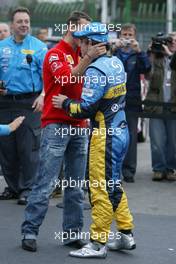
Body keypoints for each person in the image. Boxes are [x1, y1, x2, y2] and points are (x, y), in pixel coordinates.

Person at [21, 11, 106, 252]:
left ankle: (71, 234)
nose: (89, 34)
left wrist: (92, 55)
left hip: (80, 126)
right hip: (56, 125)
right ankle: (29, 230)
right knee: (46, 182)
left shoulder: (83, 53)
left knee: (75, 184)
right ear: (71, 28)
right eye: (84, 29)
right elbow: (67, 80)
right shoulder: (55, 54)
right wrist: (88, 57)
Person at [52, 22, 136, 259]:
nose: (78, 44)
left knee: (99, 189)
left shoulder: (95, 70)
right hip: (121, 132)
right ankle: (126, 234)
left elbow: (85, 109)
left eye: (81, 40)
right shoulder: (116, 61)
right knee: (113, 185)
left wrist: (65, 103)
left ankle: (98, 242)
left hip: (104, 137)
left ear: (91, 43)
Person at [0, 7, 47, 204]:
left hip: (29, 103)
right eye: (20, 21)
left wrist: (43, 95)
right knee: (6, 148)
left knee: (28, 148)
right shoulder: (2, 47)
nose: (24, 24)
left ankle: (28, 188)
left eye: (27, 21)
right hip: (4, 103)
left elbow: (49, 76)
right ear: (12, 25)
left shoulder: (38, 47)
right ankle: (12, 187)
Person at [113, 23, 151, 182]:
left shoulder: (137, 53)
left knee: (130, 136)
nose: (127, 38)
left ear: (135, 37)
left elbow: (147, 69)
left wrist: (140, 51)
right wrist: (113, 49)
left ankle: (129, 171)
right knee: (114, 135)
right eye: (124, 35)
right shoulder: (114, 52)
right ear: (119, 36)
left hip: (132, 100)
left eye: (130, 35)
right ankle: (115, 171)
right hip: (114, 99)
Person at [145, 32, 176, 181]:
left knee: (173, 141)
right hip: (156, 104)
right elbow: (147, 75)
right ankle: (158, 168)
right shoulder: (155, 58)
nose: (171, 43)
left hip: (173, 106)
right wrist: (150, 53)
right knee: (157, 140)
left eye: (174, 41)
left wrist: (171, 54)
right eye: (169, 41)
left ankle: (170, 168)